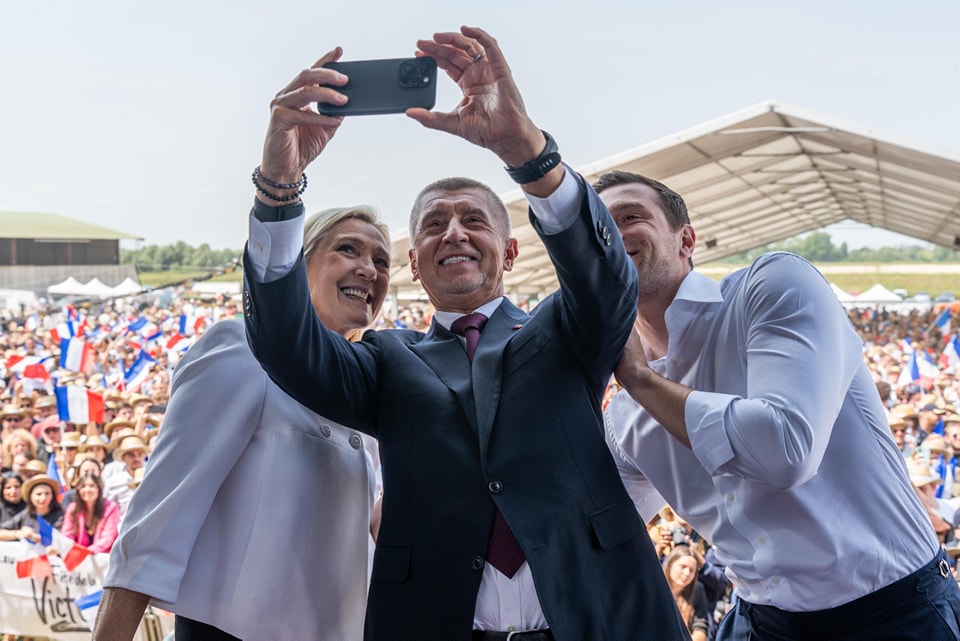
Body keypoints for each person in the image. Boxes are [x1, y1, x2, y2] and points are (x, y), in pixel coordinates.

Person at [242, 27, 686, 641]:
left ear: (508, 254)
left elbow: (606, 279)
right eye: (433, 225)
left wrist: (525, 151)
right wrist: (278, 186)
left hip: (598, 618)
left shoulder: (565, 328)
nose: (453, 232)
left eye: (473, 220)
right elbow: (285, 344)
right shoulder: (384, 360)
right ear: (416, 263)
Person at [600, 169, 960, 640]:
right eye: (596, 229)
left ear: (685, 239)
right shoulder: (623, 416)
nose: (611, 235)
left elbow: (785, 450)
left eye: (630, 216)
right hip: (760, 622)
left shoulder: (770, 287)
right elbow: (598, 529)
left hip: (892, 615)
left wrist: (641, 380)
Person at [93, 205, 388, 641]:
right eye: (349, 250)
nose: (368, 269)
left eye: (382, 261)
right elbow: (157, 519)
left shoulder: (369, 384)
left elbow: (359, 525)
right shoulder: (241, 348)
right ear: (300, 265)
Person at [58, 472, 119, 552]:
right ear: (78, 491)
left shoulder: (111, 507)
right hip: (78, 556)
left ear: (99, 489)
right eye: (83, 486)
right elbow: (67, 535)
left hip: (104, 556)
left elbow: (108, 537)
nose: (87, 490)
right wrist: (75, 552)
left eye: (92, 486)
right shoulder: (72, 508)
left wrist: (87, 552)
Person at [663, 545, 710, 641]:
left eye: (692, 570)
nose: (687, 573)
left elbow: (701, 629)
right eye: (683, 567)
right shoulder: (655, 586)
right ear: (670, 564)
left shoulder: (698, 590)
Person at [0, 474, 64, 540]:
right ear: (31, 497)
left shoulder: (60, 516)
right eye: (38, 494)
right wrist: (18, 533)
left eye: (47, 494)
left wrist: (34, 537)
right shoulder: (26, 514)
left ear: (52, 496)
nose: (43, 498)